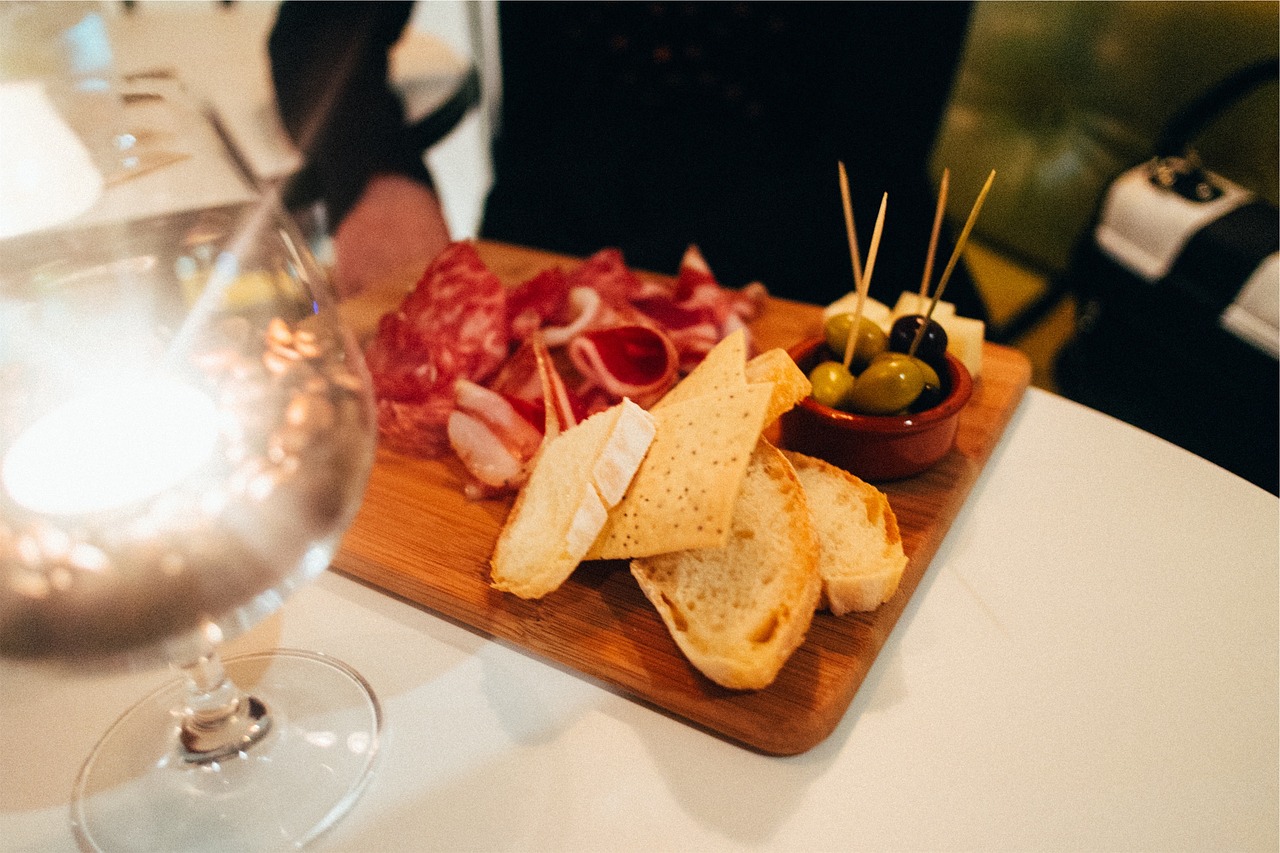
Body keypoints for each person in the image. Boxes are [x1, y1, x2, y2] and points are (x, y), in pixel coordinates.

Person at [269, 1, 985, 319]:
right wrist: (376, 177)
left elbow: (876, 139)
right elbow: (320, 28)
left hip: (824, 264)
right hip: (548, 246)